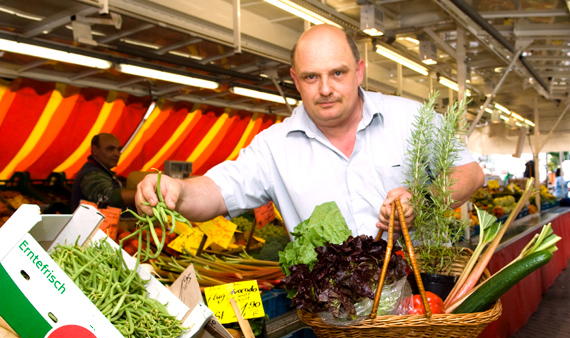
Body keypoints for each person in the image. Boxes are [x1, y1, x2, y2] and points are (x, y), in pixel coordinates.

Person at [136, 25, 484, 237]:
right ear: (295, 81)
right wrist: (176, 191)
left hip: (425, 307)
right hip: (335, 326)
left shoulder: (410, 119)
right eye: (311, 77)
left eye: (338, 73)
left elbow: (470, 172)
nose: (326, 89)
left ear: (359, 72)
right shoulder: (274, 148)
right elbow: (215, 192)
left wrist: (421, 201)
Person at [71, 133, 136, 212]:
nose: (116, 154)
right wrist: (143, 193)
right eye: (110, 149)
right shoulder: (91, 174)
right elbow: (109, 197)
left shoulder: (103, 172)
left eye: (119, 150)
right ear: (95, 150)